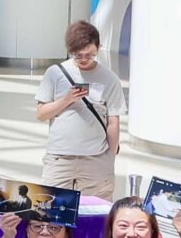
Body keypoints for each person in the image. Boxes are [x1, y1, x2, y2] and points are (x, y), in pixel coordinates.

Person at [35, 20, 122, 197]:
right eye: (77, 55)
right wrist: (67, 99)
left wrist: (110, 158)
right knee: (49, 207)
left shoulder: (109, 78)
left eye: (89, 55)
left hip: (96, 159)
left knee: (96, 210)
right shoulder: (55, 73)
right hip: (59, 158)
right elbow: (41, 114)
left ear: (98, 48)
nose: (83, 59)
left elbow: (113, 121)